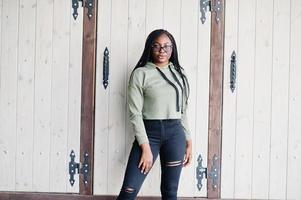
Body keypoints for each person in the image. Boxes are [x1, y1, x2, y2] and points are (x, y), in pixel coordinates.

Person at [117, 29, 192, 200]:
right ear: (150, 48)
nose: (162, 51)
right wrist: (145, 147)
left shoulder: (180, 74)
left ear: (173, 49)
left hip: (175, 135)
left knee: (170, 192)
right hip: (149, 135)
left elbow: (183, 111)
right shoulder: (140, 74)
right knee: (129, 191)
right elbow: (135, 114)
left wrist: (189, 141)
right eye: (157, 46)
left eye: (166, 47)